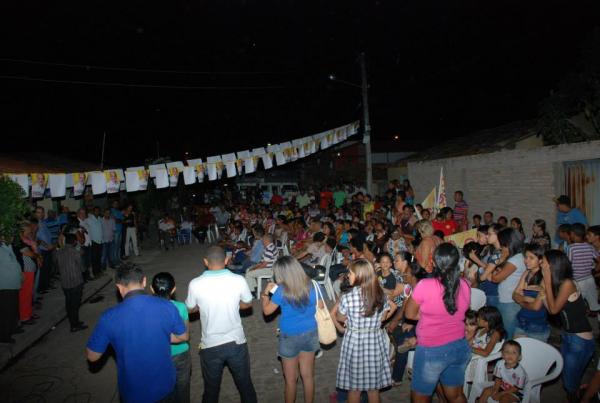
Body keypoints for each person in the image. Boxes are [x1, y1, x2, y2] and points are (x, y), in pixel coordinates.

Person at [87, 265, 188, 403]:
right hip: (165, 386)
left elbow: (92, 357)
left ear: (119, 287)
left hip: (133, 392)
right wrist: (161, 334)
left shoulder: (109, 317)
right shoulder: (167, 306)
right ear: (145, 281)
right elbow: (182, 336)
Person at [185, 246, 257, 403]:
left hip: (210, 345)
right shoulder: (238, 280)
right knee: (245, 386)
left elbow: (190, 309)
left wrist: (201, 306)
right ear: (226, 260)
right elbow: (247, 304)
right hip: (236, 342)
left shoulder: (195, 284)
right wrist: (233, 305)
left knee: (211, 390)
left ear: (205, 262)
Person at [405, 243, 471, 403]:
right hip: (459, 346)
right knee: (455, 396)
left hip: (431, 350)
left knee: (420, 398)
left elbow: (409, 314)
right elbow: (458, 311)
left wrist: (429, 316)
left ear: (434, 262)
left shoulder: (425, 285)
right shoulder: (465, 284)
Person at [332, 259, 396, 403]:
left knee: (354, 389)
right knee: (373, 389)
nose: (348, 275)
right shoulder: (380, 295)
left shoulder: (348, 298)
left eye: (350, 272)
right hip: (374, 341)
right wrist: (381, 319)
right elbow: (391, 308)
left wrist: (345, 320)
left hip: (355, 341)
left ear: (359, 275)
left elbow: (340, 317)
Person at [261, 256, 319, 403]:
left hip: (289, 336)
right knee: (308, 376)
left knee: (291, 380)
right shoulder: (311, 285)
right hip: (310, 332)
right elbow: (321, 306)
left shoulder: (281, 290)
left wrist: (265, 294)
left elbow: (267, 311)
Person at [541, 250, 594, 402]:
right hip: (568, 336)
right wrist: (544, 291)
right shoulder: (559, 283)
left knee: (570, 384)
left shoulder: (567, 283)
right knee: (569, 380)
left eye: (543, 261)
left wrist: (546, 281)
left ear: (552, 265)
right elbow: (551, 307)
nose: (541, 264)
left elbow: (553, 309)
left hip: (580, 340)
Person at [151, 273, 191, 403]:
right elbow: (185, 335)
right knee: (182, 389)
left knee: (162, 390)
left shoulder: (146, 309)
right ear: (174, 289)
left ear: (152, 289)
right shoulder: (180, 307)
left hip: (158, 354)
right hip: (180, 353)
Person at [485, 228, 526, 339]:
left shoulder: (515, 260)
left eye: (502, 242)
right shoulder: (516, 257)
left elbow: (495, 278)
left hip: (510, 302)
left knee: (507, 332)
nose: (501, 245)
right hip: (507, 299)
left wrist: (502, 258)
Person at [512, 243, 550, 341]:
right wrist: (527, 299)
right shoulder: (527, 273)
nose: (526, 261)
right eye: (526, 257)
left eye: (531, 258)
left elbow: (536, 307)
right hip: (521, 320)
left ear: (540, 260)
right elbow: (514, 295)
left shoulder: (544, 278)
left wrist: (521, 299)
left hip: (537, 325)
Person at [55, 234, 87, 332]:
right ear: (74, 242)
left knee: (69, 303)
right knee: (75, 304)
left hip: (65, 282)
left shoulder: (59, 252)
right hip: (76, 282)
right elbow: (82, 267)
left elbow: (56, 266)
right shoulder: (75, 252)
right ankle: (74, 325)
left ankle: (73, 321)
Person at [568, 223, 600, 318]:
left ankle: (578, 326)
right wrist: (594, 270)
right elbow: (599, 260)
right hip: (590, 279)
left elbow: (569, 263)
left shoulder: (571, 248)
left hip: (578, 281)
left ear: (572, 234)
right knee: (595, 305)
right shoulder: (589, 246)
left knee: (576, 304)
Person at [0, 236, 23, 344]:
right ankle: (4, 336)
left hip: (13, 284)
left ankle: (12, 328)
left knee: (13, 310)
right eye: (9, 235)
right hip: (5, 285)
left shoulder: (8, 246)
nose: (13, 237)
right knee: (6, 312)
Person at [84, 206, 104, 278]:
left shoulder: (100, 219)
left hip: (100, 241)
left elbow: (101, 229)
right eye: (96, 211)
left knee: (99, 257)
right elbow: (82, 224)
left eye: (98, 211)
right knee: (94, 258)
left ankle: (99, 271)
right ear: (93, 211)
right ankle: (95, 272)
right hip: (93, 241)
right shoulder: (89, 219)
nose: (97, 212)